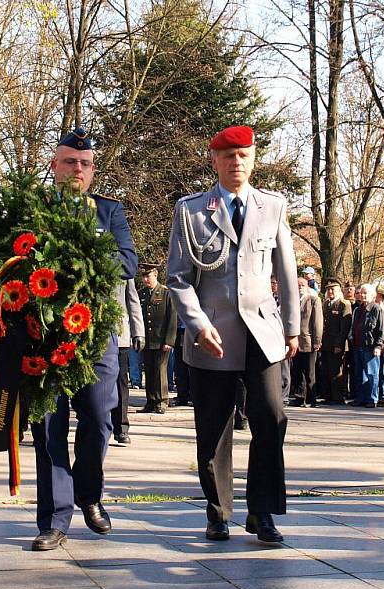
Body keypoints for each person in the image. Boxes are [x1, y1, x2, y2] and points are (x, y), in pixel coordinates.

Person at [167, 125, 299, 543]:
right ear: (214, 160)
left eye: (243, 155)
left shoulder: (273, 207)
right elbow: (178, 278)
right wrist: (197, 324)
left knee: (271, 420)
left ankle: (262, 512)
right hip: (213, 335)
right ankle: (218, 510)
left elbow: (287, 273)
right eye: (228, 156)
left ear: (253, 158)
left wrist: (293, 328)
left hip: (263, 334)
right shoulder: (191, 210)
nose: (236, 162)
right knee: (214, 428)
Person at [31, 128, 137, 551]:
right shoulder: (34, 209)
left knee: (98, 417)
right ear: (54, 166)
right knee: (49, 426)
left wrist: (83, 256)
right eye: (70, 162)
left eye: (85, 164)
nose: (77, 169)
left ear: (93, 171)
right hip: (45, 335)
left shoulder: (109, 212)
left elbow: (128, 261)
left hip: (96, 333)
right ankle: (54, 519)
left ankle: (88, 494)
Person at [137, 266, 177, 414]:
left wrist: (169, 340)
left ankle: (162, 401)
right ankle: (151, 401)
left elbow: (172, 318)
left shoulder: (166, 294)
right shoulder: (141, 294)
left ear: (156, 275)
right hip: (147, 340)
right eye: (144, 276)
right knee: (149, 370)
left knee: (160, 370)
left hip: (161, 340)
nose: (146, 279)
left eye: (148, 276)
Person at [111, 278, 144, 445]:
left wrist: (138, 332)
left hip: (119, 336)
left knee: (121, 384)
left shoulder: (123, 266)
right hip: (93, 334)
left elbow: (133, 300)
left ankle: (121, 427)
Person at [348, 283, 384, 408]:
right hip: (358, 345)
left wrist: (378, 346)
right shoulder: (358, 309)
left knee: (371, 374)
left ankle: (372, 399)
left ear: (372, 295)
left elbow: (381, 328)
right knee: (359, 373)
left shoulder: (376, 308)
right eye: (361, 293)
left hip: (370, 346)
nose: (362, 295)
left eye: (365, 293)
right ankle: (361, 398)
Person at [290, 277, 322, 407]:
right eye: (298, 285)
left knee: (309, 372)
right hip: (295, 341)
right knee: (297, 371)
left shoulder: (313, 300)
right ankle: (299, 397)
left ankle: (311, 399)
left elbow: (317, 322)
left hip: (308, 341)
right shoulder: (293, 301)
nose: (300, 288)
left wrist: (317, 341)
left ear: (307, 286)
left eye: (303, 285)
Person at [318, 278, 351, 405]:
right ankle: (328, 395)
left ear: (338, 290)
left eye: (332, 289)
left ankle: (338, 397)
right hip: (326, 343)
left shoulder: (344, 304)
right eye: (328, 289)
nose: (330, 291)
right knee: (326, 369)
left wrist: (339, 344)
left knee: (336, 370)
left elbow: (344, 327)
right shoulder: (326, 303)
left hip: (337, 343)